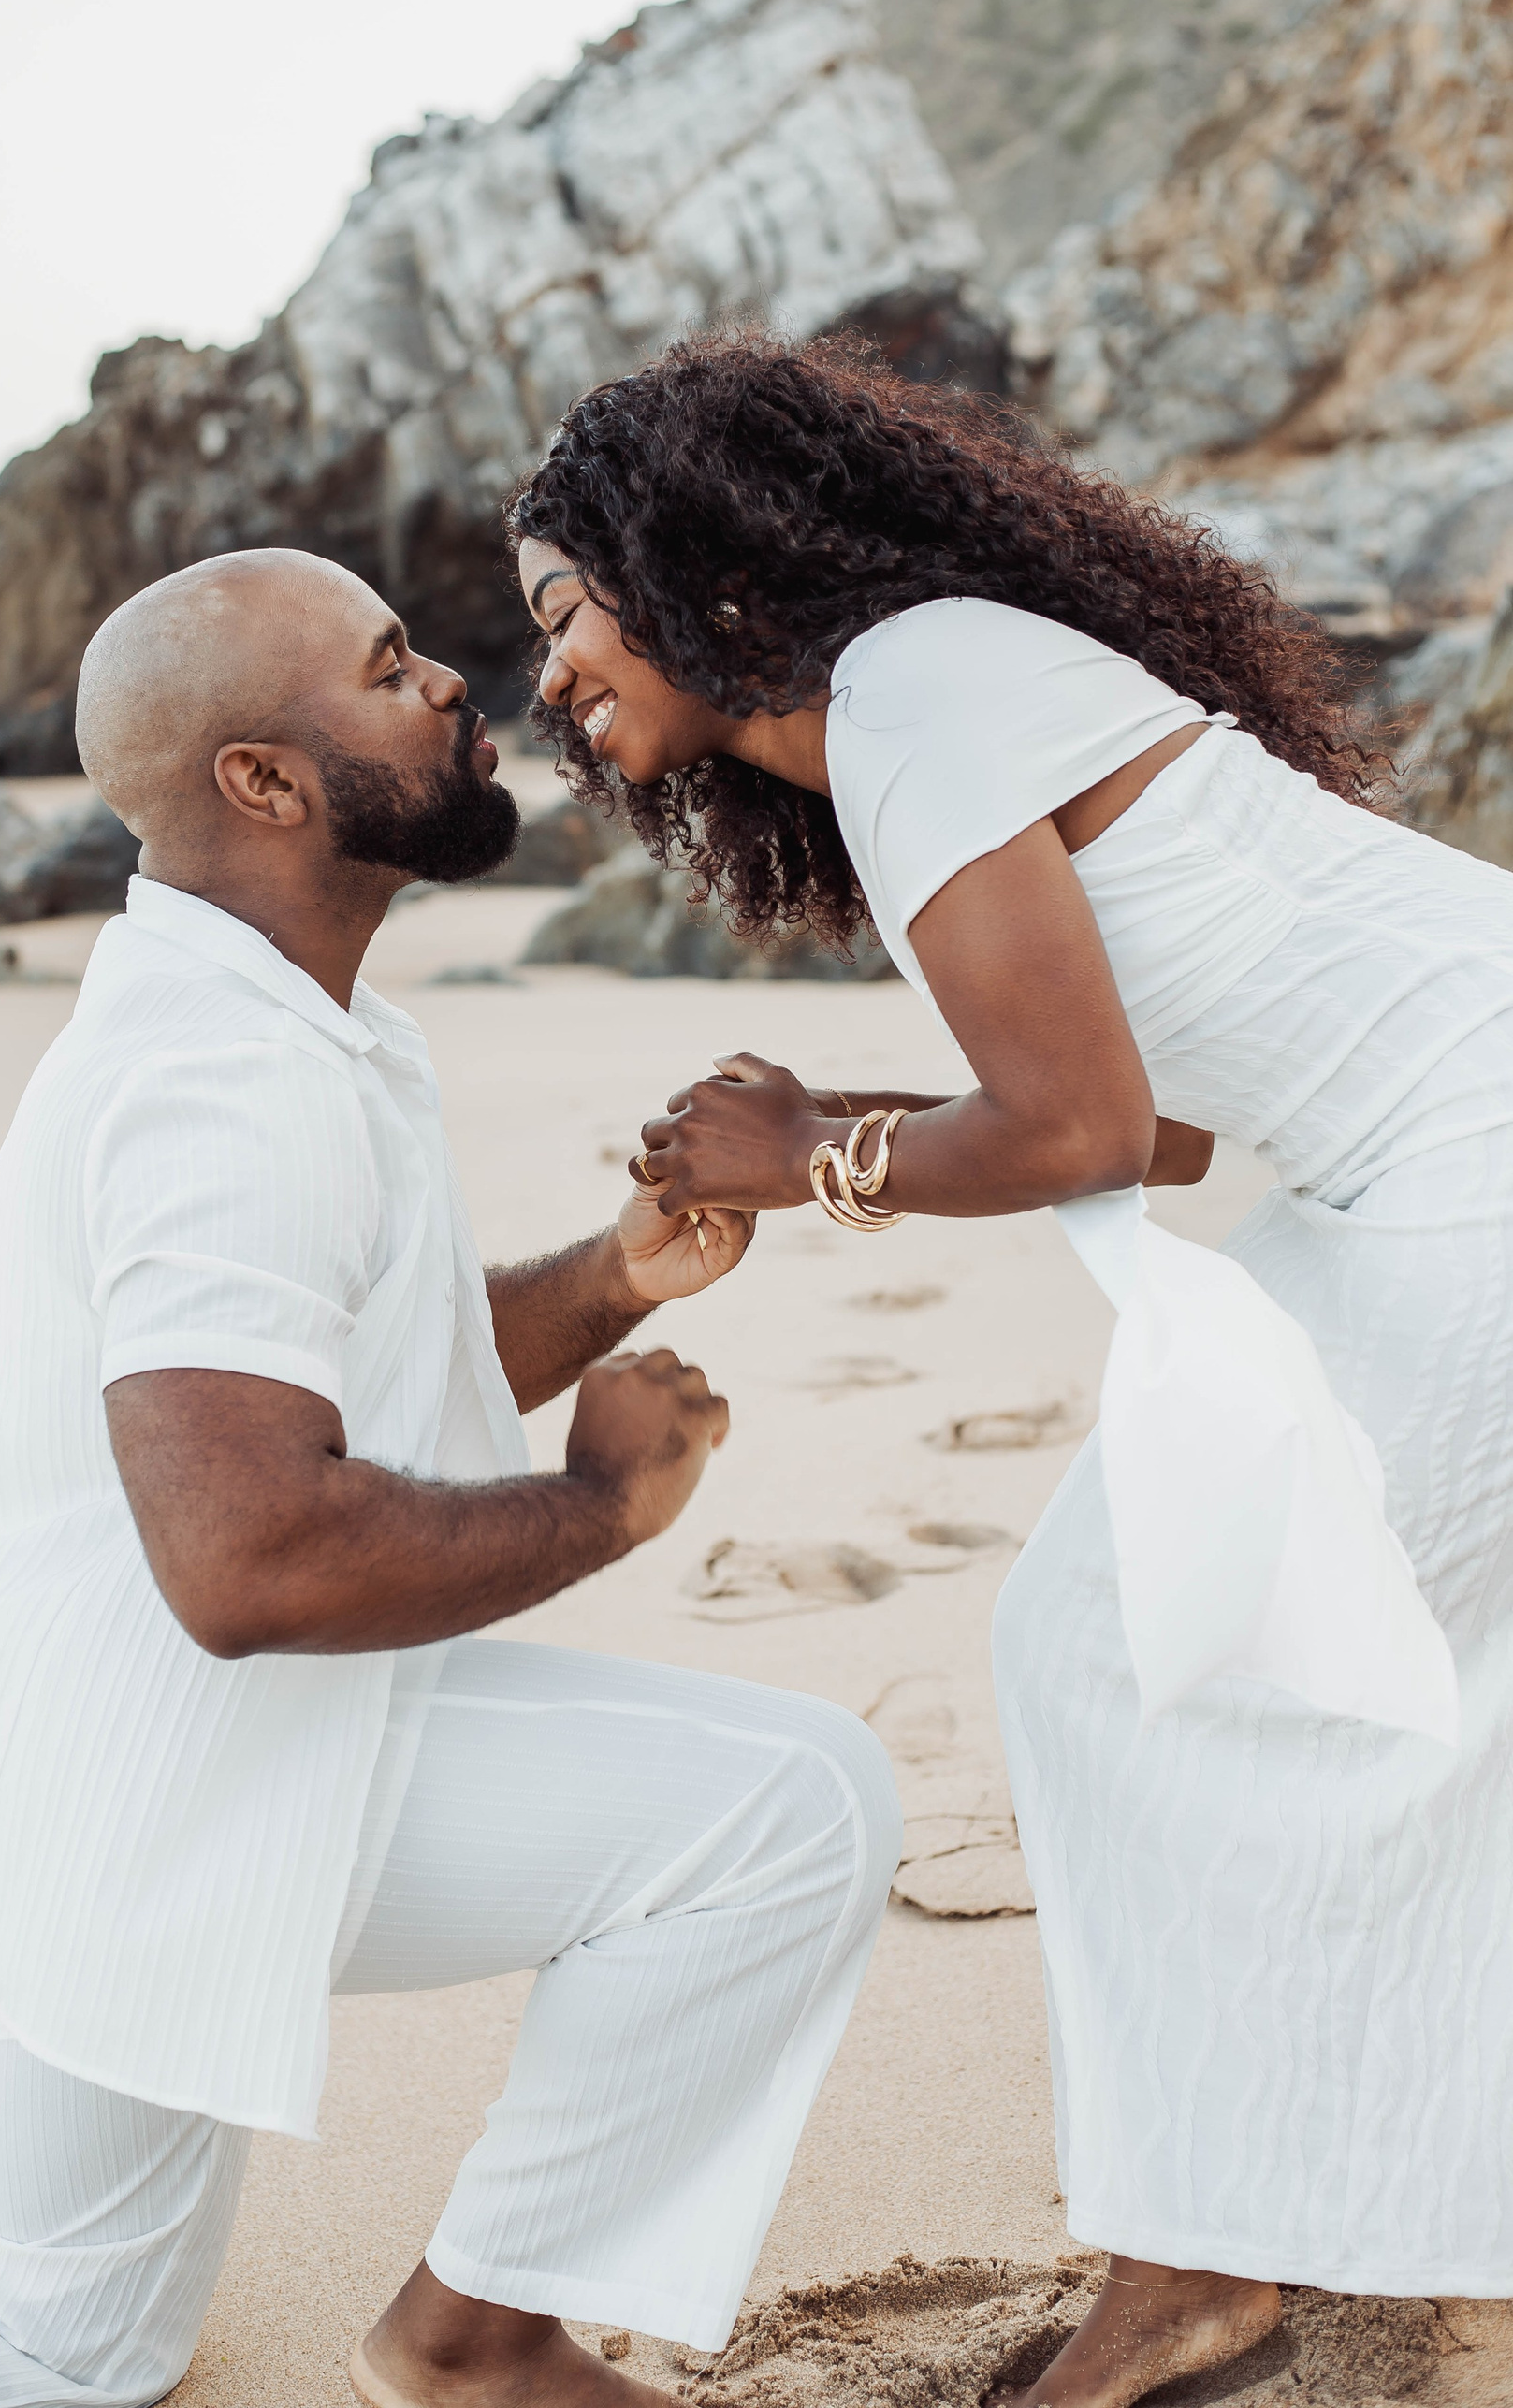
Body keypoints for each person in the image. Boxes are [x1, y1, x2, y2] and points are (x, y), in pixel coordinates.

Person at [0, 548, 904, 2408]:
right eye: (387, 666)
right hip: (174, 1777)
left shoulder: (272, 1018)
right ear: (264, 781)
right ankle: (477, 2346)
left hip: (100, 1763)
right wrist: (603, 1507)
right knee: (796, 1809)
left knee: (64, 2331)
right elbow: (250, 1557)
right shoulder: (226, 1079)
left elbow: (326, 1383)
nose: (448, 684)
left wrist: (610, 1281)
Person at [511, 331, 1513, 2408]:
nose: (547, 675)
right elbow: (1157, 1128)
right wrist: (821, 1139)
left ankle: (1201, 2269)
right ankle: (1248, 2228)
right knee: (1206, 1654)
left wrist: (811, 1152)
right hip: (1411, 1168)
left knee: (1144, 1649)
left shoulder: (915, 695)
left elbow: (1078, 1132)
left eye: (562, 611)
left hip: (1472, 1162)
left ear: (683, 559)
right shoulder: (926, 693)